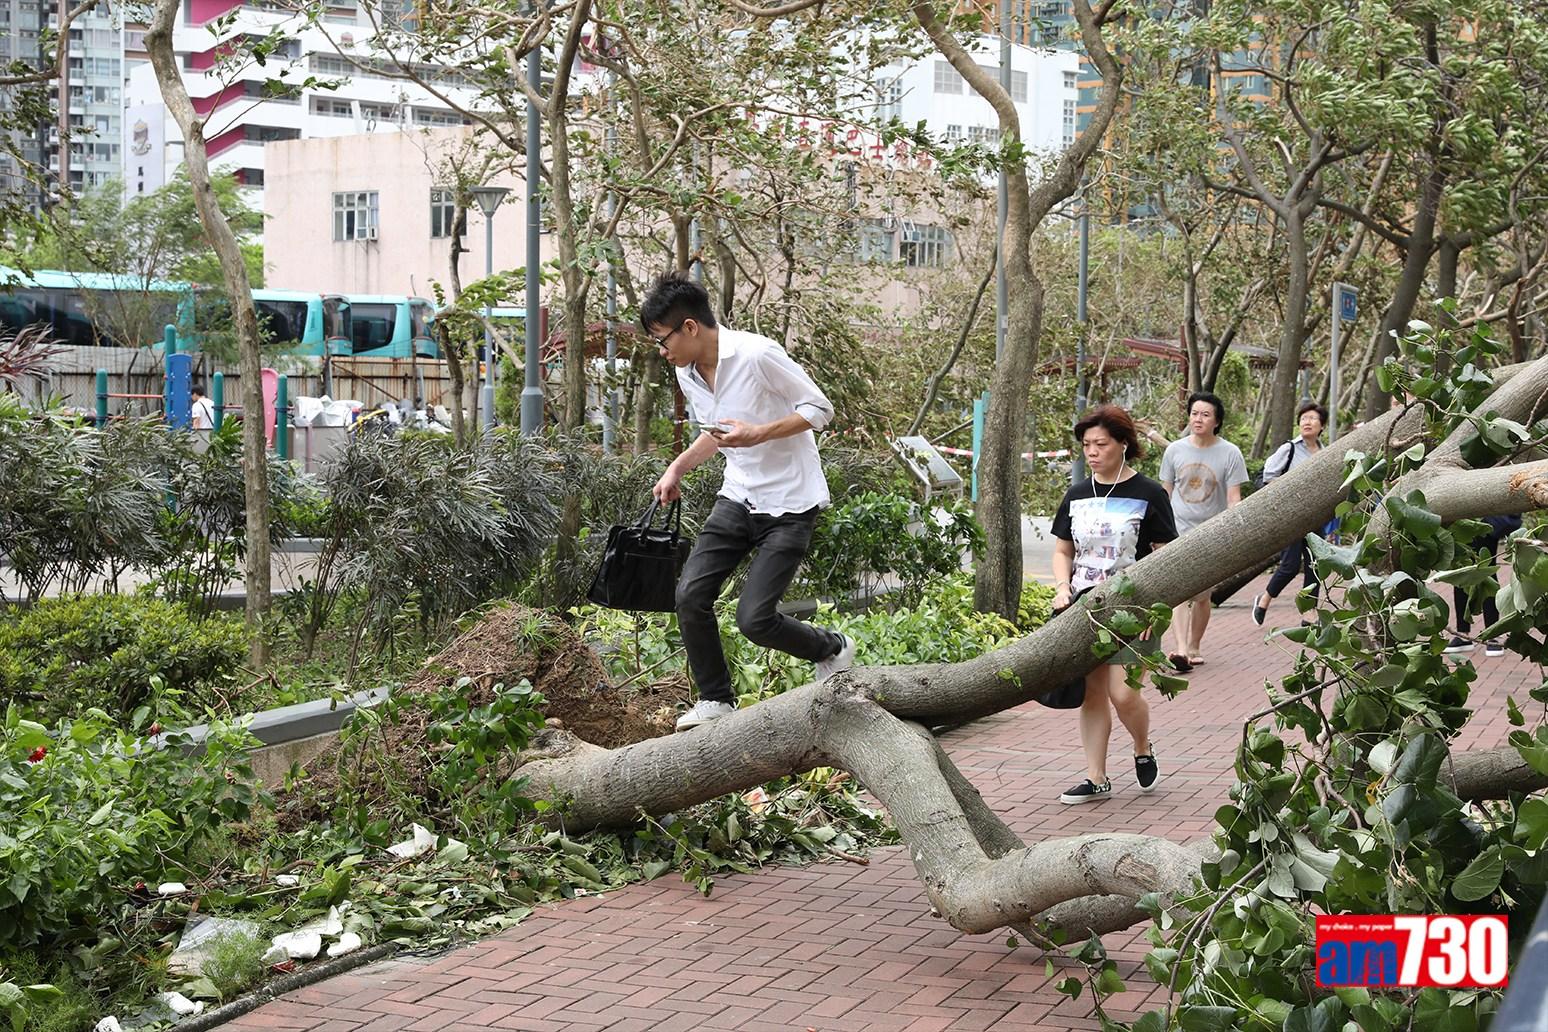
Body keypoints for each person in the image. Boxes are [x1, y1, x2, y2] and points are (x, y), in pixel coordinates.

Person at [644, 273, 854, 731]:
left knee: (754, 620)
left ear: (690, 327)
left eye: (663, 340)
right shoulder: (687, 372)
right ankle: (716, 699)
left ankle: (831, 648)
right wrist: (677, 468)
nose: (662, 351)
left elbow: (819, 409)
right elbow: (716, 433)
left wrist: (759, 433)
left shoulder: (757, 355)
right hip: (738, 496)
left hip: (790, 502)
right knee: (690, 595)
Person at [1051, 404, 1176, 804]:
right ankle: (1096, 777)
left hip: (1135, 608)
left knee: (1123, 694)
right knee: (1092, 693)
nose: (1092, 451)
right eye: (1086, 444)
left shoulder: (1149, 493)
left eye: (1101, 444)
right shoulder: (1076, 494)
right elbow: (1063, 550)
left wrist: (1154, 607)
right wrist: (1062, 587)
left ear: (1123, 444)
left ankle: (1142, 746)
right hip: (1084, 607)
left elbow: (1166, 556)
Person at [1157, 391, 1247, 669]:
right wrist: (1158, 530)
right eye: (1194, 413)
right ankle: (1181, 649)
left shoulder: (1230, 453)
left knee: (1202, 596)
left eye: (1205, 415)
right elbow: (1164, 493)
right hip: (1177, 532)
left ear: (1216, 421)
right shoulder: (1174, 450)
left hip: (1211, 534)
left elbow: (1234, 499)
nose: (1198, 419)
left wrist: (1232, 532)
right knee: (1179, 592)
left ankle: (1195, 644)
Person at [1252, 401, 1327, 627]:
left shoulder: (1325, 452)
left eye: (1312, 418)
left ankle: (1309, 612)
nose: (1307, 422)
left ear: (1322, 426)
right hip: (1290, 517)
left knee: (1315, 564)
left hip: (1314, 517)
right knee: (1290, 565)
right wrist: (1289, 492)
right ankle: (1264, 600)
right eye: (1303, 418)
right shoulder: (1289, 449)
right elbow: (1268, 477)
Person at [1444, 515, 1522, 656]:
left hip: (1486, 520)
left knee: (1484, 570)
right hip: (1464, 520)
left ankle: (1491, 635)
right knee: (1462, 571)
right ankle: (1465, 635)